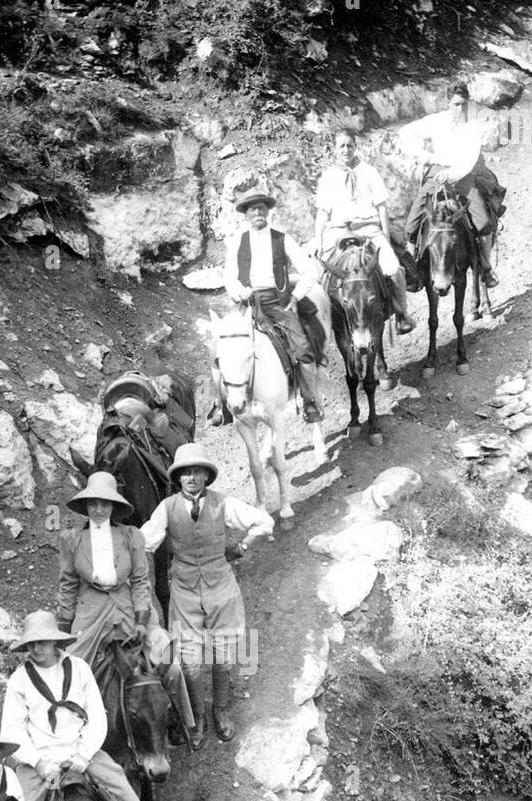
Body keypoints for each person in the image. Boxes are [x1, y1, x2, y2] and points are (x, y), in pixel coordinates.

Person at [140, 443, 273, 750]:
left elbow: (265, 522)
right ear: (178, 477)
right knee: (189, 662)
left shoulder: (223, 503)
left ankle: (221, 710)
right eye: (185, 472)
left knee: (225, 655)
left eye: (197, 471)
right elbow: (144, 542)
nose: (191, 477)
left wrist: (242, 546)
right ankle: (197, 715)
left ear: (206, 476)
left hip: (221, 589)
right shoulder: (167, 508)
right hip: (185, 592)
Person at [0, 609, 157, 801]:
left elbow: (96, 716)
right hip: (40, 763)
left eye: (41, 642)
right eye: (30, 644)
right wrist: (39, 762)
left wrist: (83, 755)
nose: (36, 649)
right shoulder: (19, 680)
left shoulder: (79, 668)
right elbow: (12, 730)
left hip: (83, 754)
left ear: (55, 641)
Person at [56, 470, 195, 735]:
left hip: (130, 609)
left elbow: (142, 581)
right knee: (69, 673)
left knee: (169, 662)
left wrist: (143, 621)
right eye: (93, 503)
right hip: (90, 615)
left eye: (104, 503)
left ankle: (176, 722)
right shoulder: (71, 540)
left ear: (113, 506)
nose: (98, 509)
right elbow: (68, 586)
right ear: (86, 505)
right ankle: (75, 735)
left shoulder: (131, 536)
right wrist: (63, 630)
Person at [222, 187, 325, 424]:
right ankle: (222, 403)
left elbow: (310, 271)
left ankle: (309, 401)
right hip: (247, 304)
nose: (257, 212)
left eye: (261, 207)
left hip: (277, 304)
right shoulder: (238, 241)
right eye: (251, 209)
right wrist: (238, 291)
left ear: (268, 212)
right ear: (246, 214)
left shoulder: (282, 239)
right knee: (225, 346)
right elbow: (229, 277)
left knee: (303, 349)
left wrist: (296, 296)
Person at [314, 127, 416, 333]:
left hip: (368, 229)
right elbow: (323, 213)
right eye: (341, 146)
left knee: (394, 269)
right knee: (317, 275)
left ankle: (401, 314)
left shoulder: (369, 171)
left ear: (355, 146)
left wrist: (385, 237)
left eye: (349, 145)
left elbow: (381, 207)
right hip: (338, 232)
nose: (345, 150)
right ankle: (327, 322)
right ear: (335, 149)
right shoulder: (328, 177)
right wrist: (318, 239)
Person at [403, 81, 504, 288]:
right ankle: (414, 267)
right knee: (413, 219)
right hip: (436, 173)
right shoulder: (435, 121)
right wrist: (426, 156)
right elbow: (405, 132)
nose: (460, 109)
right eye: (456, 104)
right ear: (448, 103)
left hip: (462, 176)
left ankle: (485, 268)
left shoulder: (472, 127)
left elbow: (469, 159)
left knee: (483, 222)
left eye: (463, 104)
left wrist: (451, 174)